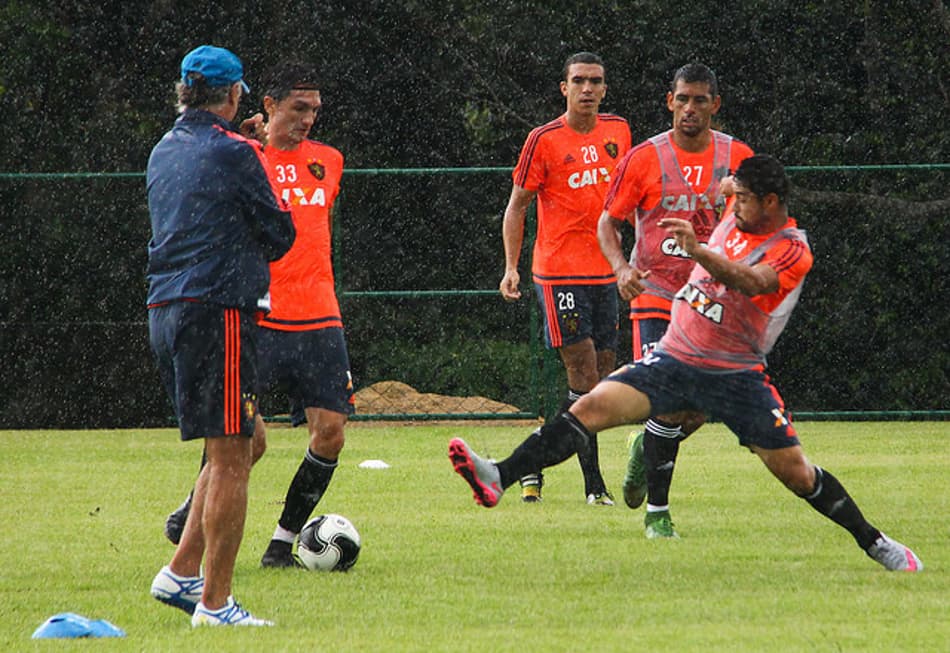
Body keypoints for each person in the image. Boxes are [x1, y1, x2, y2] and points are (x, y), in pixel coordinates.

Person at [449, 154, 923, 573]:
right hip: (674, 359)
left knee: (798, 474)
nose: (734, 205)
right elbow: (716, 180)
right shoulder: (733, 203)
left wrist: (699, 251)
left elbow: (755, 283)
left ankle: (874, 541)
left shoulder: (791, 247)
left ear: (773, 201)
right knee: (589, 408)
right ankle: (499, 476)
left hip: (735, 377)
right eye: (734, 195)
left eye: (745, 199)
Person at [163, 61, 355, 570]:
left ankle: (282, 544)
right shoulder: (240, 154)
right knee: (243, 437)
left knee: (331, 431)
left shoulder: (330, 161)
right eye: (298, 108)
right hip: (258, 312)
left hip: (319, 314)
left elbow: (319, 233)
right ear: (266, 106)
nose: (308, 118)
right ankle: (195, 507)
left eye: (315, 109)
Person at [146, 45, 295, 627]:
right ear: (235, 96)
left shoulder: (164, 148)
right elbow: (279, 233)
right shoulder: (237, 152)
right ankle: (215, 604)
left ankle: (181, 573)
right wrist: (255, 151)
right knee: (233, 455)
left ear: (184, 91)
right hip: (220, 310)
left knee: (245, 441)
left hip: (167, 309)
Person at [597, 63, 753, 537]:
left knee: (699, 408)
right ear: (669, 101)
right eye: (682, 99)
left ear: (715, 105)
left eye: (700, 100)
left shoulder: (739, 157)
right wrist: (622, 269)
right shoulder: (644, 158)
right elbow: (608, 223)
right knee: (667, 399)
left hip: (715, 301)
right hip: (657, 296)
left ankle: (645, 448)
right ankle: (657, 515)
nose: (690, 109)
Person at [499, 51, 631, 505]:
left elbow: (629, 196)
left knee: (601, 382)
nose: (588, 89)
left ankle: (535, 453)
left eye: (596, 81)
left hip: (604, 271)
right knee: (584, 377)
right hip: (558, 273)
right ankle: (595, 487)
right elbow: (517, 205)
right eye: (579, 81)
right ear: (565, 88)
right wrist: (512, 266)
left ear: (604, 88)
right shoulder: (544, 139)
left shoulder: (619, 131)